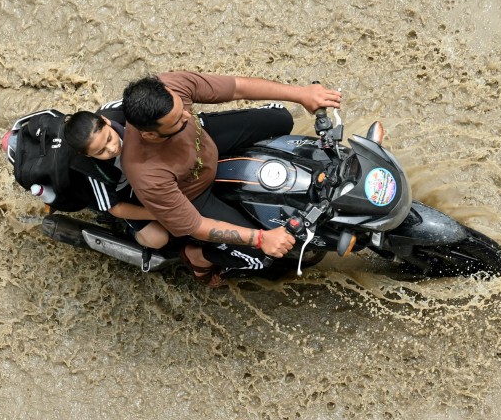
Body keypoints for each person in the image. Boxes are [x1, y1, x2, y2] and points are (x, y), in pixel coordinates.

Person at [120, 72, 341, 285]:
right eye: (178, 121)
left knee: (281, 118)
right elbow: (196, 225)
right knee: (274, 260)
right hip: (196, 194)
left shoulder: (171, 85)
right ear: (150, 135)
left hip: (208, 143)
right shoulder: (147, 174)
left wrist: (301, 94)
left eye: (183, 108)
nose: (187, 115)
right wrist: (261, 239)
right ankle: (199, 257)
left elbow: (237, 87)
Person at [62, 110, 170, 250]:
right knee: (158, 239)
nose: (112, 149)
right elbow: (115, 208)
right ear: (87, 155)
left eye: (109, 138)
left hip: (143, 172)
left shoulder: (125, 115)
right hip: (124, 193)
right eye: (101, 152)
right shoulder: (94, 171)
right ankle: (130, 231)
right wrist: (155, 214)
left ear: (106, 121)